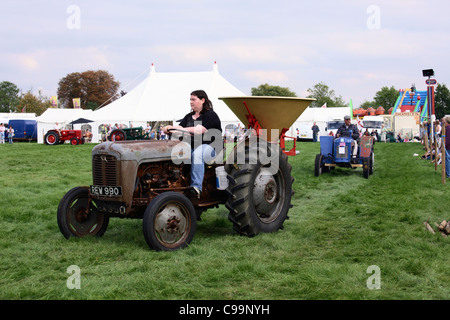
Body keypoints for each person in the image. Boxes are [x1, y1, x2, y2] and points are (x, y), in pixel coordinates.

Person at [163, 90, 222, 197]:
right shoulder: (189, 116)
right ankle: (175, 182)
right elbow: (180, 127)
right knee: (178, 153)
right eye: (190, 99)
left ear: (202, 100)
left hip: (211, 147)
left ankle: (196, 187)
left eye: (193, 99)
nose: (191, 102)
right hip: (194, 146)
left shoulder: (210, 115)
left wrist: (180, 129)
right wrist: (168, 128)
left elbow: (199, 130)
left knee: (197, 154)